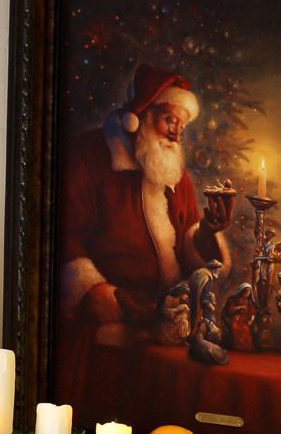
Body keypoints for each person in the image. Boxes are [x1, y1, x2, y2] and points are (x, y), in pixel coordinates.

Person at [60, 64, 233, 331]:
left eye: (182, 125)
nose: (176, 134)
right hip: (105, 321)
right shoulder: (90, 155)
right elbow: (63, 234)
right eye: (170, 120)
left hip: (166, 317)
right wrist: (95, 291)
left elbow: (189, 254)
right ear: (141, 114)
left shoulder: (176, 174)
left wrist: (207, 233)